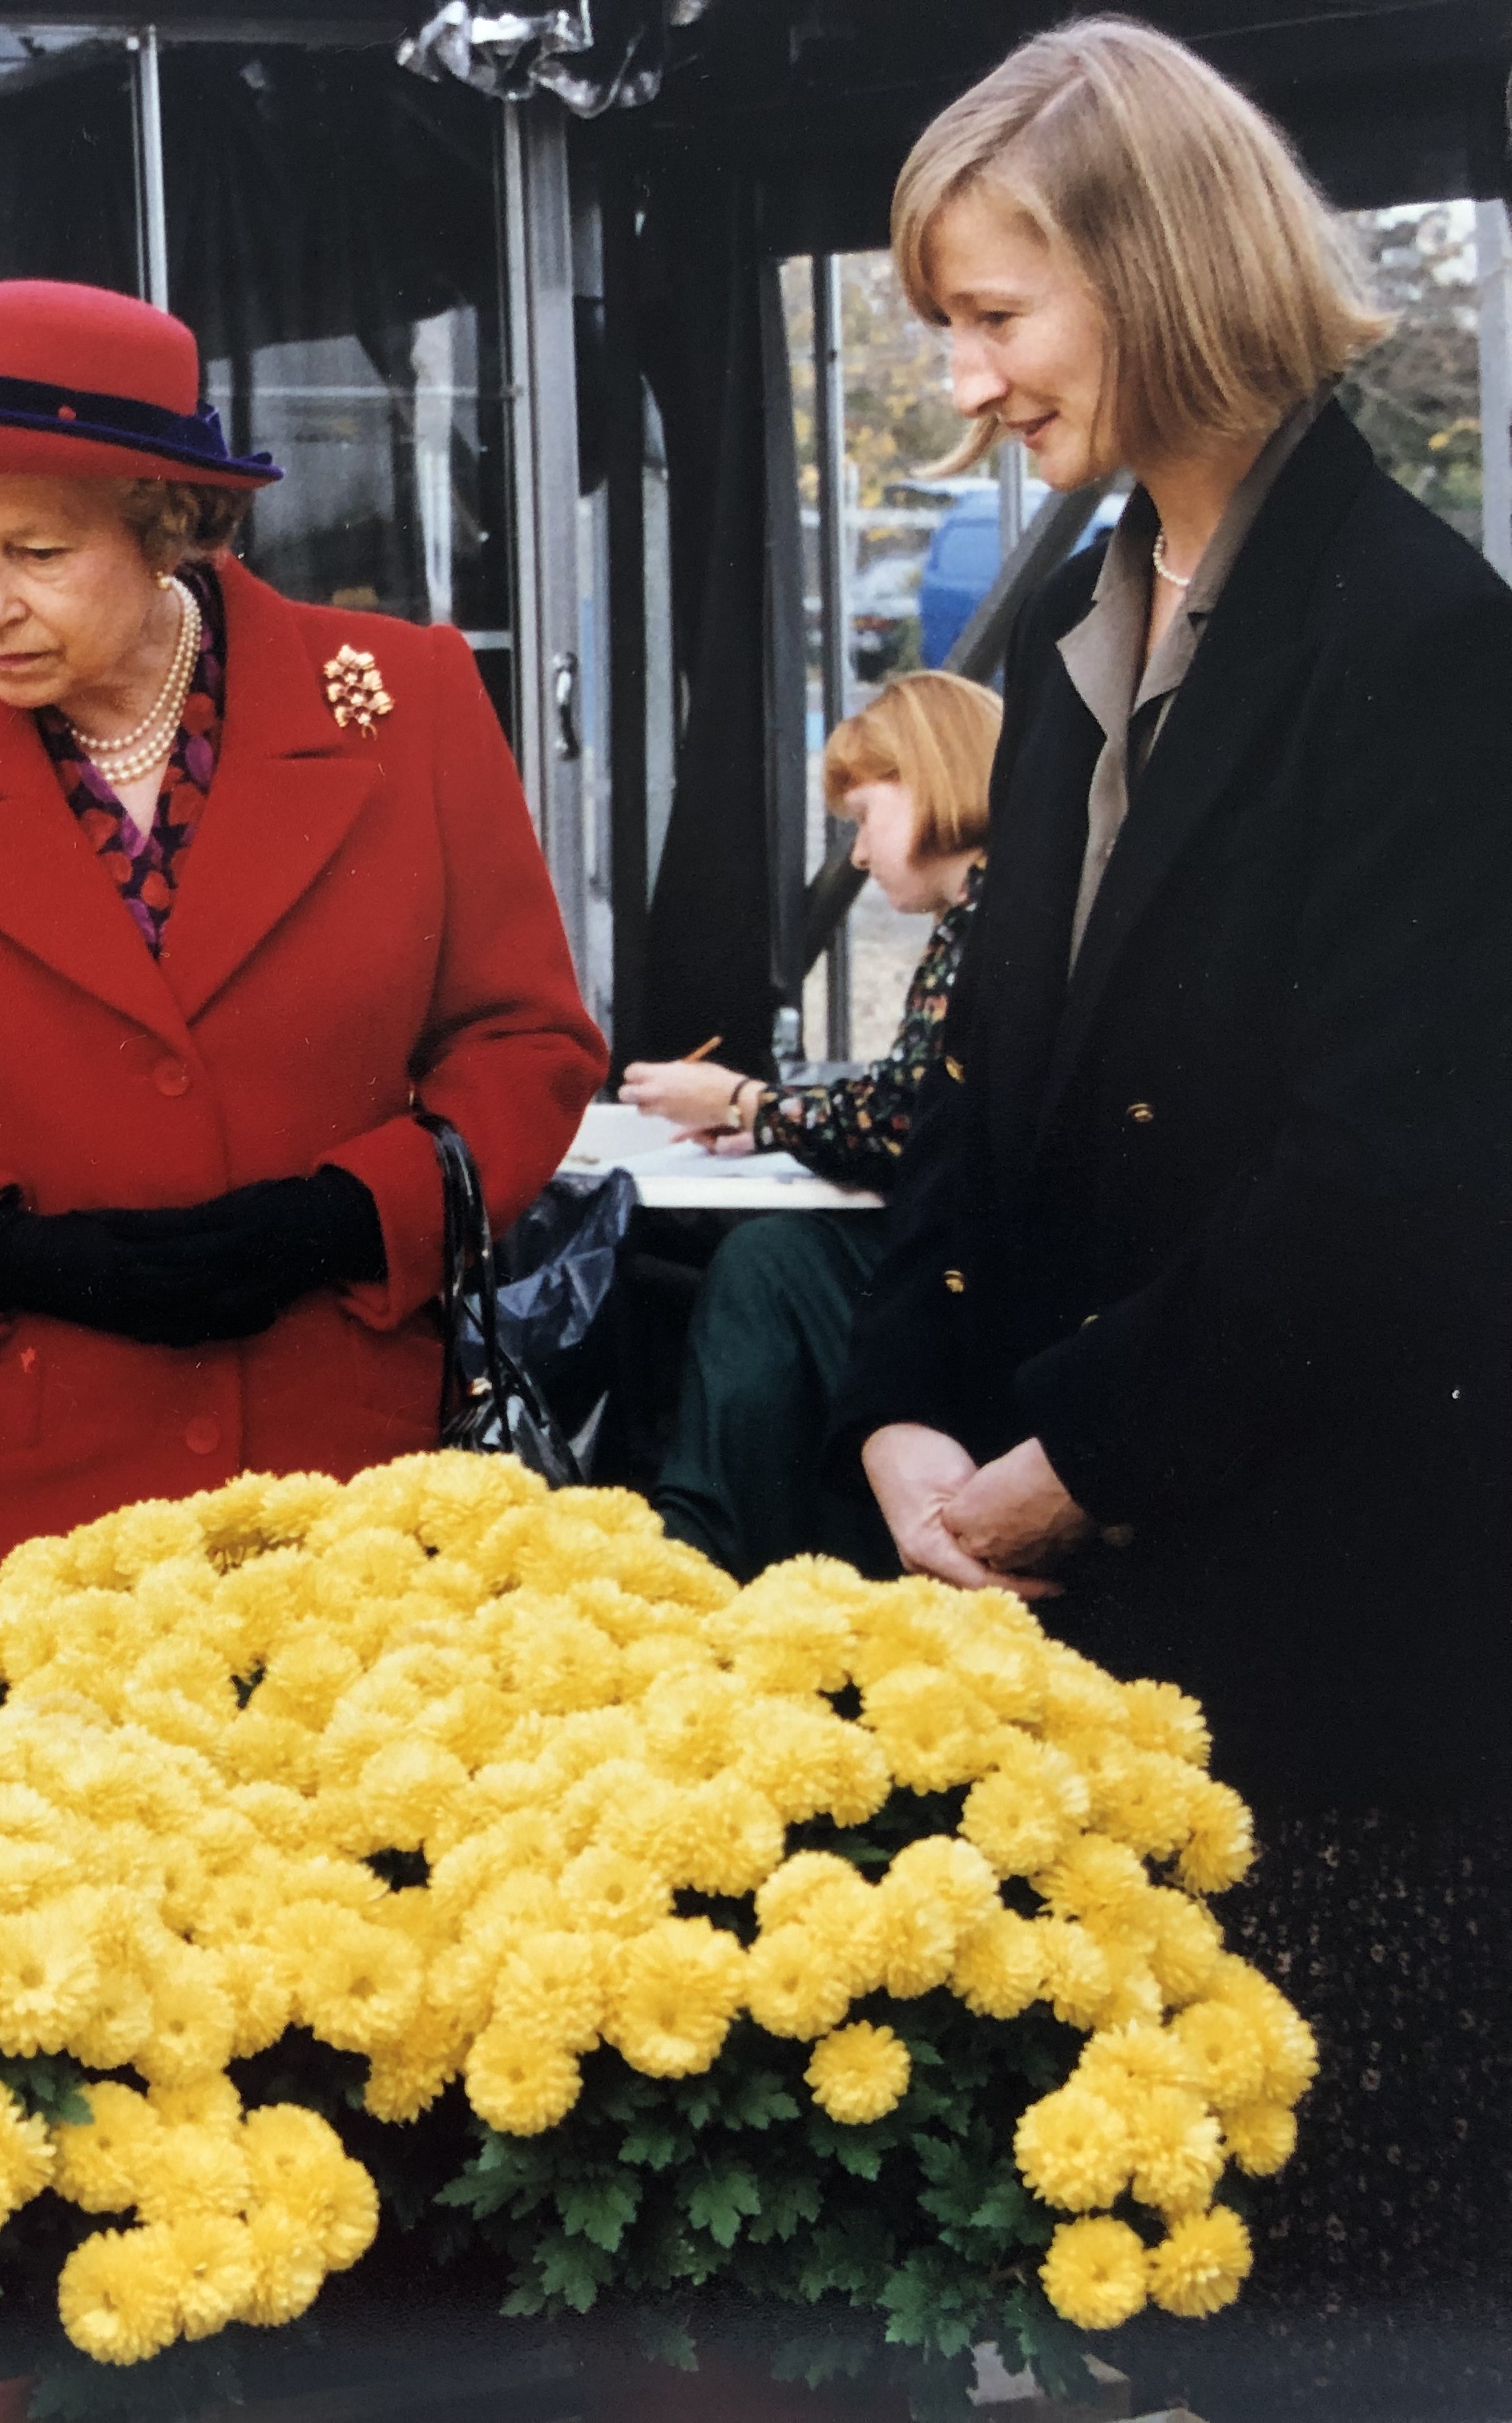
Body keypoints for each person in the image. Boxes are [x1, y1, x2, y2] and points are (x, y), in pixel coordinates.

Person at [834, 26, 1510, 2413]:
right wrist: (910, 1414)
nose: (963, 379)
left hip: (1329, 1706)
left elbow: (1402, 1184)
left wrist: (1060, 1457)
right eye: (945, 324)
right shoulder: (1079, 619)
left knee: (1330, 2323)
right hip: (1098, 1652)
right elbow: (980, 1111)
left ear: (1163, 270)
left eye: (997, 314)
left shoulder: (1423, 647)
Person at [0, 280, 604, 1578]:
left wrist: (344, 1220)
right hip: (0, 1497)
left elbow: (526, 1041)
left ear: (169, 527)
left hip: (339, 1487)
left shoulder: (402, 701)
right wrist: (8, 1248)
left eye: (36, 552)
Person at [616, 671, 1000, 1578]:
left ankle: (701, 1544)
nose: (859, 854)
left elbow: (903, 1120)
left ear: (934, 781)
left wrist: (745, 1105)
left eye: (865, 816)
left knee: (765, 1265)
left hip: (981, 1293)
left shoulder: (986, 926)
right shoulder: (987, 918)